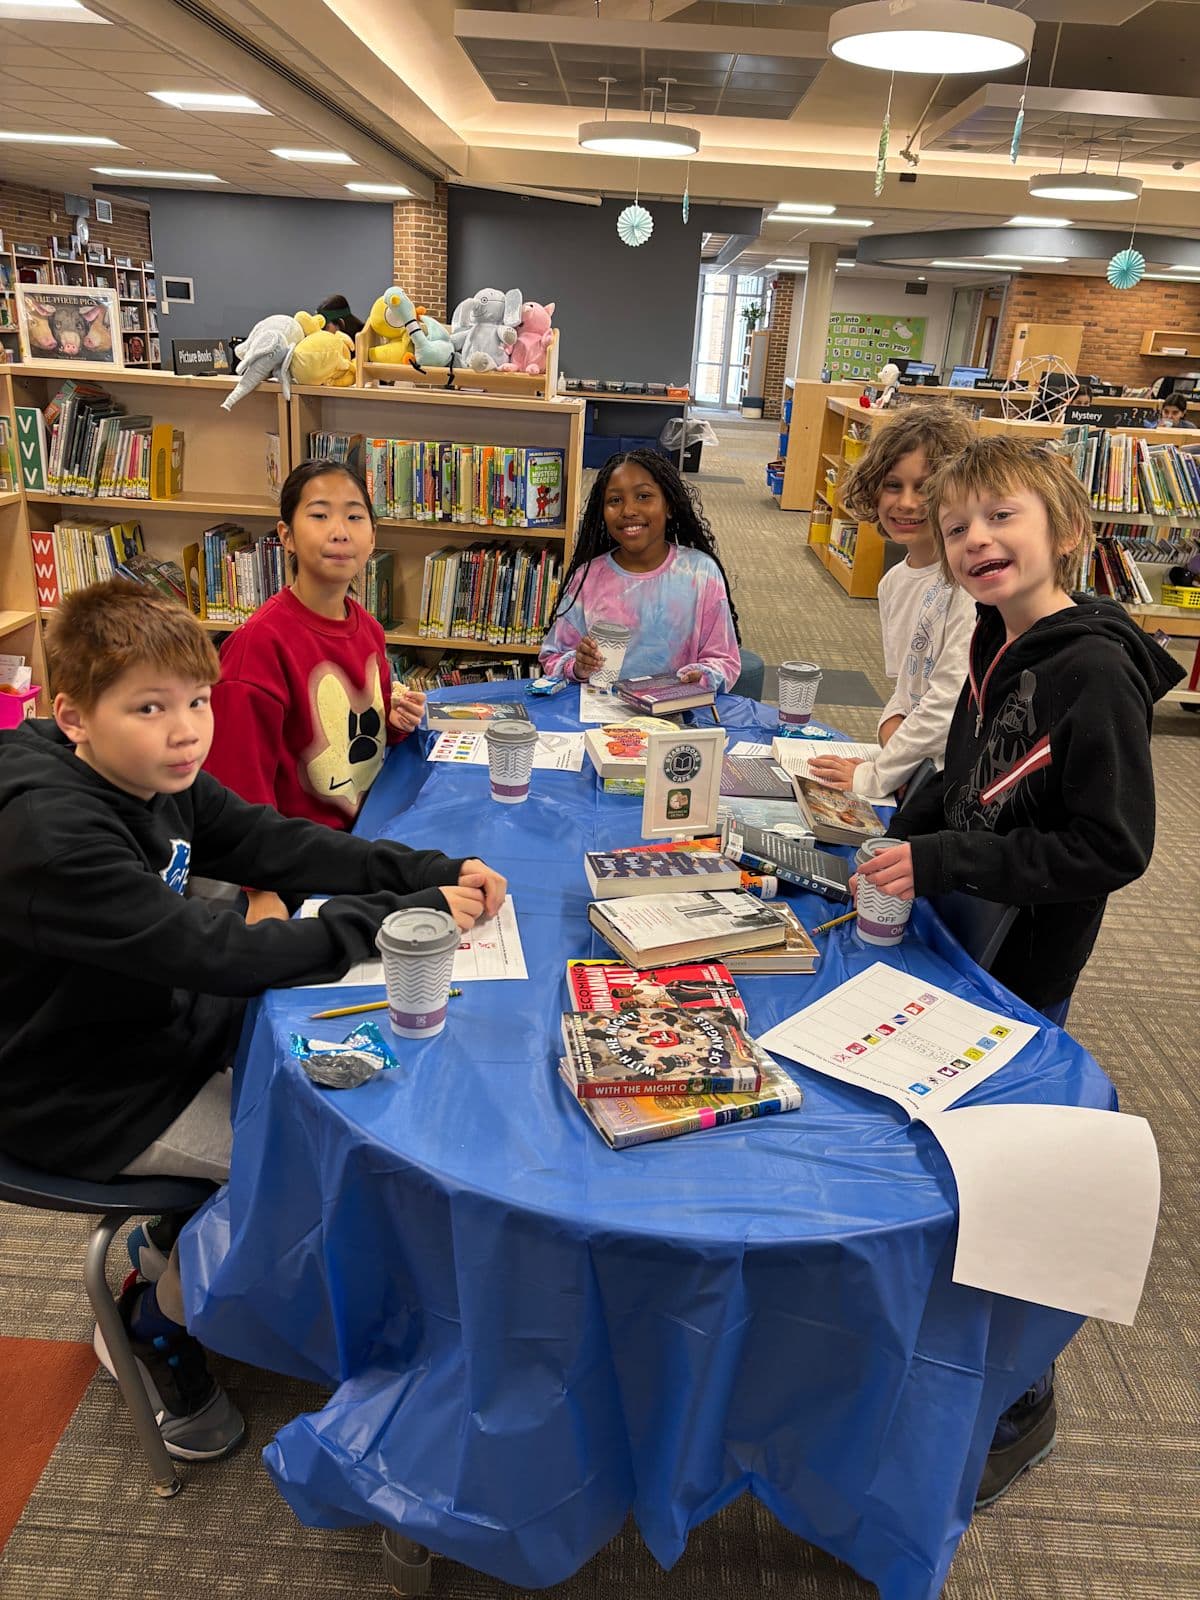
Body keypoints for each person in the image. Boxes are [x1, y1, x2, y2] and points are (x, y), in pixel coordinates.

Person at [0, 578, 505, 1461]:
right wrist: (390, 919)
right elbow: (214, 951)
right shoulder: (52, 833)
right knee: (321, 1167)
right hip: (76, 1091)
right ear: (72, 716)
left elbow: (274, 841)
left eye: (196, 699)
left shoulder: (156, 773)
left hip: (151, 1024)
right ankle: (155, 1327)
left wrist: (425, 866)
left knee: (352, 1080)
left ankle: (177, 1241)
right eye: (149, 707)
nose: (187, 727)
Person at [854, 437, 1183, 1506]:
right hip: (964, 930)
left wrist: (946, 855)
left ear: (1067, 534)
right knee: (941, 1135)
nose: (977, 540)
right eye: (958, 529)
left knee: (1004, 1162)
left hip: (1027, 961)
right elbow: (962, 781)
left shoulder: (1090, 668)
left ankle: (1018, 1393)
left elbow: (1110, 847)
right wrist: (891, 832)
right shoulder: (995, 644)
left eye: (1002, 517)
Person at [206, 460, 427, 923]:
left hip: (364, 835)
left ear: (372, 538)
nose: (339, 531)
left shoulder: (367, 627)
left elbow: (355, 730)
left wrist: (395, 721)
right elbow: (238, 786)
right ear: (285, 536)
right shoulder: (258, 647)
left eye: (354, 516)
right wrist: (261, 889)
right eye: (320, 514)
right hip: (298, 866)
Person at [809, 405, 976, 800]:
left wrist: (876, 773)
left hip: (961, 780)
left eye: (925, 488)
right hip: (916, 767)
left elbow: (949, 702)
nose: (906, 503)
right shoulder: (893, 584)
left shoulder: (970, 584)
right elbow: (906, 690)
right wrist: (891, 730)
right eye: (892, 485)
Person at [538, 449, 741, 691]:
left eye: (643, 496)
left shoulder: (700, 573)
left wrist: (704, 677)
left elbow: (724, 660)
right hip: (601, 716)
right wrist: (578, 666)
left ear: (669, 505)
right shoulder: (588, 577)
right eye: (615, 500)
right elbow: (553, 656)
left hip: (677, 714)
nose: (628, 511)